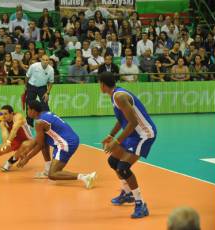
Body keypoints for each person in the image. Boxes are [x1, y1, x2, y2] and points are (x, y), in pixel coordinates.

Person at [99, 71, 156, 218]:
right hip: (133, 133)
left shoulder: (119, 96)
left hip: (144, 134)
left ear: (102, 85)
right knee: (113, 161)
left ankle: (141, 204)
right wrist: (111, 135)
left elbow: (133, 122)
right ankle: (128, 193)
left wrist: (116, 141)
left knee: (123, 168)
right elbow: (122, 120)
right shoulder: (115, 96)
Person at [17, 100, 97, 188]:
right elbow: (39, 140)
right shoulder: (47, 114)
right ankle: (47, 169)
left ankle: (85, 177)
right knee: (44, 139)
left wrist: (27, 158)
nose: (27, 111)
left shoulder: (39, 123)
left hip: (65, 144)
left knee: (53, 174)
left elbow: (40, 145)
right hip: (72, 138)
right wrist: (27, 150)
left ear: (33, 111)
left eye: (28, 109)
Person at [25, 55, 54, 127]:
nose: (45, 61)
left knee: (45, 104)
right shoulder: (34, 66)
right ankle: (29, 123)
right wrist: (26, 86)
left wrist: (47, 93)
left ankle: (47, 122)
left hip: (42, 87)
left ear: (49, 61)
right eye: (44, 60)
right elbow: (27, 76)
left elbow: (51, 82)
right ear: (41, 60)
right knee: (30, 105)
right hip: (32, 86)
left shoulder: (51, 69)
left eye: (47, 60)